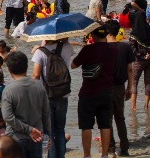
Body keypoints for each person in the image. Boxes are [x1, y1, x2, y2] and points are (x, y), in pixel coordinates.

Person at [71, 26, 118, 158]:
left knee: (86, 125)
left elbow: (73, 65)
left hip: (88, 92)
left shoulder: (88, 49)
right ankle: (104, 154)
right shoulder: (114, 50)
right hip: (107, 91)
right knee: (105, 124)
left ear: (94, 35)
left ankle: (87, 155)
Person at [1, 51, 51, 158]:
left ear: (9, 70)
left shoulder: (9, 90)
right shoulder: (39, 86)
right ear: (27, 67)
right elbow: (46, 114)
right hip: (37, 137)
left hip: (15, 138)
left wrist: (28, 130)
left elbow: (7, 117)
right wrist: (48, 134)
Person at [31, 38, 74, 158]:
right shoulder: (67, 47)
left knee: (48, 132)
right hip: (63, 94)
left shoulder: (40, 52)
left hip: (46, 96)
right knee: (60, 130)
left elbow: (35, 75)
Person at [106, 20, 134, 156]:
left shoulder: (101, 47)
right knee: (120, 117)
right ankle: (124, 148)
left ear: (106, 32)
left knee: (107, 118)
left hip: (104, 87)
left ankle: (110, 147)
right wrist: (130, 87)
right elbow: (130, 70)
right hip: (119, 87)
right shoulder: (125, 47)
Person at [130, 0, 150, 110]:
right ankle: (146, 106)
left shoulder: (134, 33)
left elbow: (133, 49)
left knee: (134, 82)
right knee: (148, 82)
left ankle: (133, 107)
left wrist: (141, 56)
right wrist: (149, 54)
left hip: (139, 60)